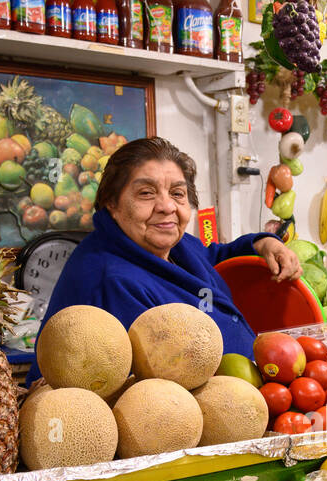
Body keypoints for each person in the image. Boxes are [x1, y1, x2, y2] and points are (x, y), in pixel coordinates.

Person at [27, 137, 301, 383]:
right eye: (146, 193)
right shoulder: (110, 281)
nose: (167, 206)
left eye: (177, 193)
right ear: (112, 202)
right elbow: (162, 386)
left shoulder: (173, 245)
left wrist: (263, 242)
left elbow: (213, 258)